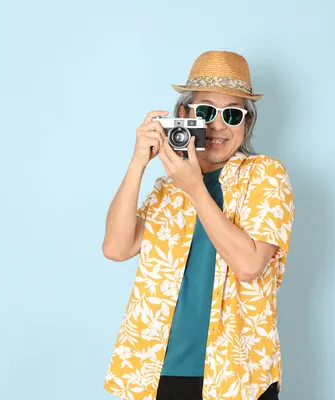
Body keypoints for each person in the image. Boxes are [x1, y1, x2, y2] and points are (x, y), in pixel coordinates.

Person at [102, 50, 295, 400]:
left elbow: (250, 265)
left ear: (247, 124)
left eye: (232, 115)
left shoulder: (265, 175)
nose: (217, 125)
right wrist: (137, 164)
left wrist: (194, 187)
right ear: (182, 115)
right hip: (158, 371)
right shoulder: (167, 188)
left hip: (237, 376)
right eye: (205, 111)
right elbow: (116, 248)